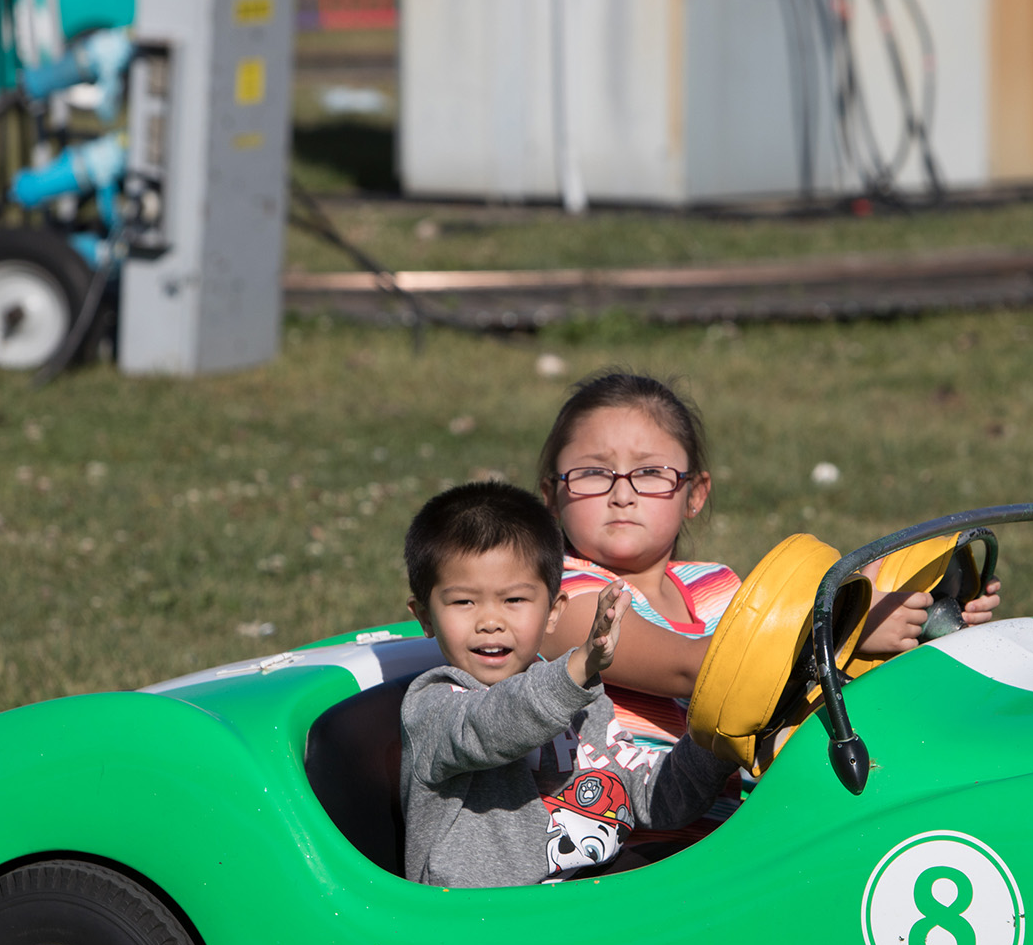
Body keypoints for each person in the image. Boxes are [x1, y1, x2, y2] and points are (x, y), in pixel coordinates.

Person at [537, 369, 1002, 758]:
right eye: (594, 472)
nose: (622, 493)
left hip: (728, 822)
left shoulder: (716, 584)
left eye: (650, 472)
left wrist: (925, 617)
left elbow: (784, 684)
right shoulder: (559, 598)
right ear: (551, 496)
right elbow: (700, 668)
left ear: (694, 494)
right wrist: (848, 623)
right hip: (626, 841)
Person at [399, 481, 737, 889]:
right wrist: (577, 667)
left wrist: (720, 731)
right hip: (487, 924)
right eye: (464, 602)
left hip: (590, 896)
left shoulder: (582, 701)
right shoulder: (434, 706)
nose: (490, 620)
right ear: (425, 617)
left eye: (514, 601)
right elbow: (496, 724)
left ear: (553, 611)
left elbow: (653, 799)